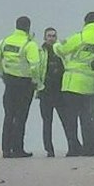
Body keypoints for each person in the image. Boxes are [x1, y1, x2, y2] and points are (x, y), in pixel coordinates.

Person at [55, 12, 94, 155]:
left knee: (71, 119)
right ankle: (90, 147)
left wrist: (57, 44)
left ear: (86, 22)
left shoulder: (80, 37)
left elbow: (61, 50)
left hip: (73, 84)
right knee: (88, 118)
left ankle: (73, 148)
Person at [0, 15, 43, 158]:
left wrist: (2, 74)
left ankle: (6, 149)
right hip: (25, 83)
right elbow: (35, 65)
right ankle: (18, 148)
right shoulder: (29, 44)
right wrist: (36, 81)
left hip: (9, 82)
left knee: (9, 115)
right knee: (20, 116)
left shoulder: (5, 41)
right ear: (28, 27)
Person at [38, 26, 65, 157]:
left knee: (66, 120)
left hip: (60, 91)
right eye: (49, 36)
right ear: (45, 37)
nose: (51, 38)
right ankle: (49, 149)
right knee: (47, 122)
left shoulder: (61, 50)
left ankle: (73, 145)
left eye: (54, 36)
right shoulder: (40, 52)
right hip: (46, 91)